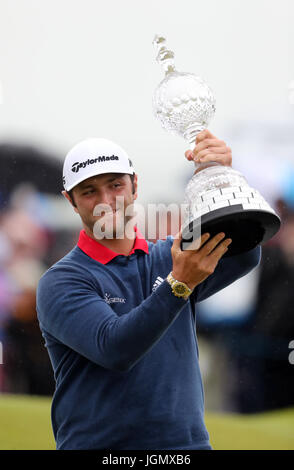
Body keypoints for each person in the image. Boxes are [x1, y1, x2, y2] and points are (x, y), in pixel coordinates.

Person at [36, 130, 261, 450]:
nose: (105, 201)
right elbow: (115, 347)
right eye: (89, 191)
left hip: (186, 448)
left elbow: (246, 252)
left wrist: (219, 177)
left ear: (134, 185)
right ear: (70, 201)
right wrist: (179, 285)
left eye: (116, 185)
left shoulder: (172, 255)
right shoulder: (62, 280)